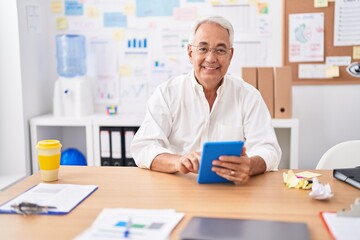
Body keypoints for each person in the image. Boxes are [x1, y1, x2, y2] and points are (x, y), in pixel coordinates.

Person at [131, 15, 281, 185]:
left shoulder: (249, 96)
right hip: (179, 188)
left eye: (220, 50)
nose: (211, 58)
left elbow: (269, 149)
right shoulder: (167, 94)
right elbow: (143, 147)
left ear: (230, 55)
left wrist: (250, 165)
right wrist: (178, 161)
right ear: (190, 52)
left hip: (233, 191)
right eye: (203, 49)